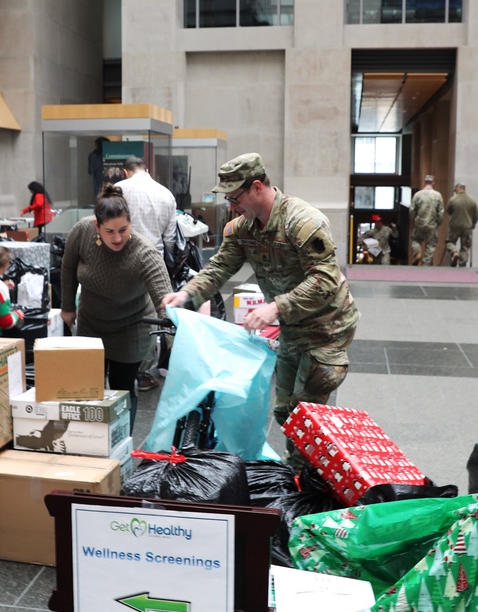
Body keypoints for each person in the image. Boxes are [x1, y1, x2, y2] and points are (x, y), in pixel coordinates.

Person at [162, 153, 360, 471]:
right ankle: (302, 471)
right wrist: (186, 294)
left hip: (327, 328)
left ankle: (303, 480)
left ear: (256, 187)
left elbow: (324, 281)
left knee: (306, 411)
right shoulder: (243, 229)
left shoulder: (303, 222)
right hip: (292, 325)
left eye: (235, 197)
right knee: (284, 410)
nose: (231, 205)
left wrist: (275, 307)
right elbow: (220, 267)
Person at [60, 184, 172, 431]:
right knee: (88, 389)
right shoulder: (81, 232)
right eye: (109, 231)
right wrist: (67, 306)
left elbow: (164, 298)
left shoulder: (144, 253)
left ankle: (122, 442)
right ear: (96, 227)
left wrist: (175, 328)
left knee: (123, 390)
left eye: (123, 229)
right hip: (91, 321)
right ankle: (90, 439)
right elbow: (68, 268)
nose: (118, 237)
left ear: (131, 222)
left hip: (131, 326)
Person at [116, 155, 178, 392]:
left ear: (125, 171)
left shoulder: (119, 189)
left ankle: (118, 364)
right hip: (154, 261)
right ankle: (142, 373)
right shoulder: (166, 194)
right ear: (147, 169)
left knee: (121, 311)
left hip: (121, 259)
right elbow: (171, 239)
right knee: (151, 315)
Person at [410, 174, 445, 266]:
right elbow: (441, 211)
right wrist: (438, 222)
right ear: (433, 183)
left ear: (424, 182)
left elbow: (412, 210)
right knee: (430, 245)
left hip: (419, 223)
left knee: (416, 239)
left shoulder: (417, 195)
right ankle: (426, 264)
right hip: (432, 224)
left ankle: (417, 253)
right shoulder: (438, 195)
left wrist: (413, 219)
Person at [446, 182, 478, 268]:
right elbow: (476, 215)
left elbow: (449, 211)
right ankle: (462, 266)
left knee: (449, 242)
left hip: (454, 226)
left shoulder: (453, 199)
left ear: (457, 189)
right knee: (465, 247)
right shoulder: (472, 200)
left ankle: (454, 251)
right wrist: (473, 224)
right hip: (467, 227)